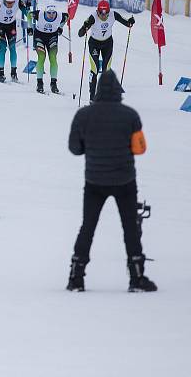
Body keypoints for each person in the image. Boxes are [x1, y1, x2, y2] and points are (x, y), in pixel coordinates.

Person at [67, 70, 157, 293]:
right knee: (130, 228)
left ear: (97, 91)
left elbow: (74, 148)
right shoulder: (130, 115)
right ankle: (137, 277)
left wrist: (92, 146)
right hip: (124, 180)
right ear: (118, 90)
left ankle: (76, 276)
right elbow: (140, 148)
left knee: (88, 226)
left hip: (94, 181)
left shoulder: (83, 115)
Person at [77, 0, 134, 101]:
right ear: (97, 12)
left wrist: (130, 22)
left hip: (107, 44)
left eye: (106, 14)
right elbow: (80, 33)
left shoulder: (113, 15)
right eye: (100, 14)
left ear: (109, 12)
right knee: (94, 69)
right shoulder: (93, 17)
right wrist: (84, 28)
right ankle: (92, 97)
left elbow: (127, 23)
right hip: (94, 44)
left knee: (106, 70)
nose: (103, 16)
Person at [28, 4, 68, 94]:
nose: (51, 15)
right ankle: (39, 83)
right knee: (41, 57)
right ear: (45, 12)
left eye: (53, 13)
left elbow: (67, 17)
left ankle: (53, 83)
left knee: (53, 58)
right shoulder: (40, 14)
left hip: (52, 37)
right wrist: (29, 27)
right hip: (39, 37)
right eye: (49, 13)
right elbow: (29, 15)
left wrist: (61, 27)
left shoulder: (60, 15)